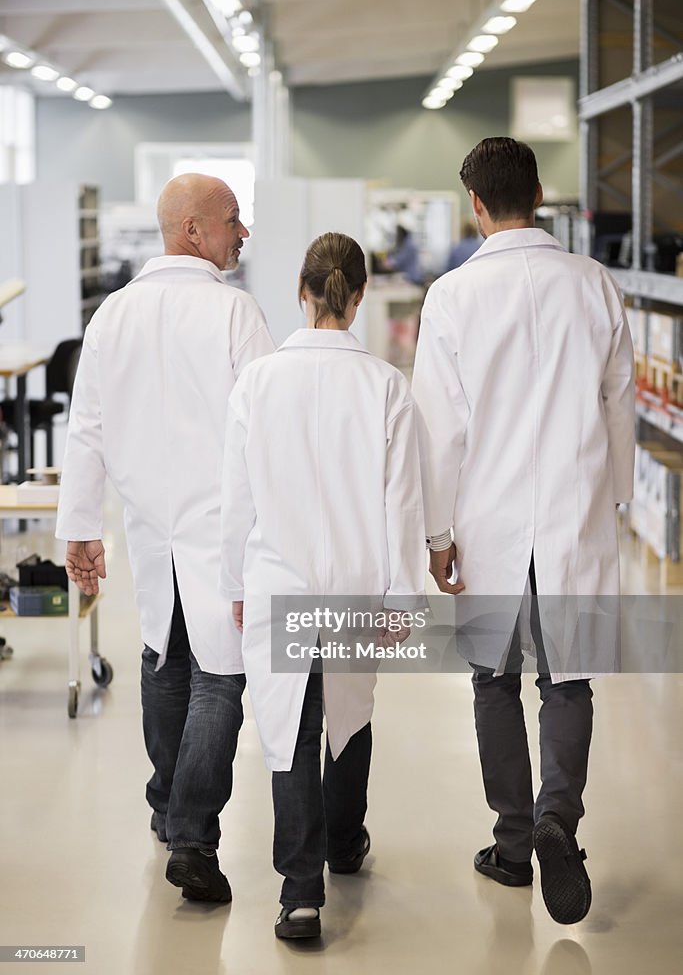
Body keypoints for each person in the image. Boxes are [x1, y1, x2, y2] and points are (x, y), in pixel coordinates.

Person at [412, 137, 635, 925]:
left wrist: (436, 535)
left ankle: (512, 847)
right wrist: (610, 504)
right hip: (575, 512)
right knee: (568, 679)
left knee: (493, 681)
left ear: (474, 204)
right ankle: (557, 822)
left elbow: (440, 432)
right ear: (537, 193)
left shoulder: (451, 297)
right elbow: (619, 408)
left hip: (488, 518)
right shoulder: (594, 284)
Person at [55, 174, 275, 904]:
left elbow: (83, 427)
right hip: (221, 526)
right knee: (221, 675)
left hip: (147, 524)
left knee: (164, 658)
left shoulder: (112, 315)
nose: (242, 232)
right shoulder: (236, 313)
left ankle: (165, 805)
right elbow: (264, 435)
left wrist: (81, 528)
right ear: (193, 231)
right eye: (232, 220)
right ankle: (192, 834)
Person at [220, 232, 425, 940]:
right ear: (359, 296)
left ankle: (299, 895)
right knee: (349, 712)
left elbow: (236, 501)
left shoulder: (256, 381)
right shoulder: (385, 386)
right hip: (356, 582)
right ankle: (344, 842)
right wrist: (403, 597)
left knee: (290, 729)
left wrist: (233, 583)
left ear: (300, 294)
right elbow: (403, 504)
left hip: (277, 578)